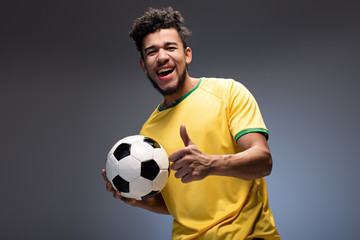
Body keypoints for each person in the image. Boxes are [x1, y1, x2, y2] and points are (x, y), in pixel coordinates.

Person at [102, 7, 280, 240]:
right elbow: (179, 204)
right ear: (144, 65)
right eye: (152, 51)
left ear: (187, 54)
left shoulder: (228, 93)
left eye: (170, 47)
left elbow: (263, 161)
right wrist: (139, 200)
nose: (162, 56)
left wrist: (210, 164)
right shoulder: (148, 134)